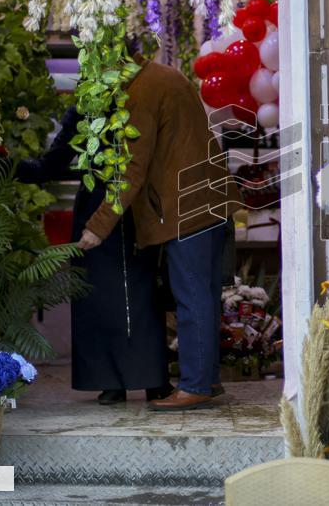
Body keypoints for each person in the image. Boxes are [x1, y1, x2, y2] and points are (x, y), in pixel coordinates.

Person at [77, 56, 241, 412]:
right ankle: (207, 378)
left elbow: (132, 168)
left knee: (191, 296)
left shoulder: (139, 93)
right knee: (206, 295)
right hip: (209, 198)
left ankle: (195, 385)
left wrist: (98, 225)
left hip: (184, 206)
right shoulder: (163, 75)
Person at [18, 106, 173, 405]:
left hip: (132, 204)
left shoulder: (133, 97)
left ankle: (140, 379)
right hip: (111, 205)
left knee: (137, 290)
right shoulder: (93, 106)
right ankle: (124, 380)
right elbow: (56, 160)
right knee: (110, 293)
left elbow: (54, 162)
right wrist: (17, 168)